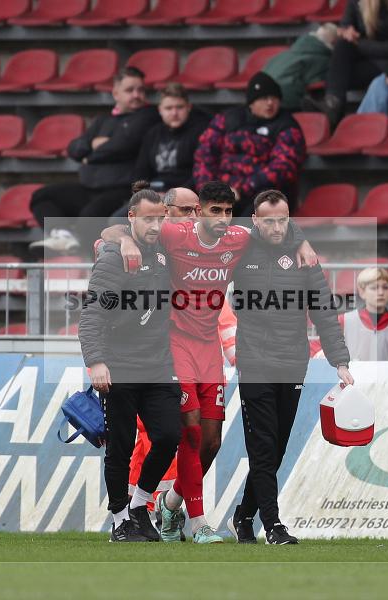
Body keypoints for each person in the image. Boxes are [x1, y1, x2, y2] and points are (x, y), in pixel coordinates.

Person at [101, 181, 318, 543]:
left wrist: (302, 240)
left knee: (211, 442)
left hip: (208, 345)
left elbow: (274, 226)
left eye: (227, 211)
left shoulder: (238, 237)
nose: (221, 218)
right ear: (199, 211)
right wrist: (124, 240)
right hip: (174, 342)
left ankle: (169, 505)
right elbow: (116, 229)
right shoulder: (175, 234)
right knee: (189, 430)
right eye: (213, 210)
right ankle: (198, 523)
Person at [229, 190, 353, 546]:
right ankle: (273, 525)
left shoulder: (304, 257)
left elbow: (324, 311)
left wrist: (339, 361)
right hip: (253, 361)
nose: (276, 227)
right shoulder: (240, 249)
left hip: (292, 361)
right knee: (263, 444)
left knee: (277, 447)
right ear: (255, 220)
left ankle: (244, 515)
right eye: (268, 220)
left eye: (282, 220)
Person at [78, 182, 182, 542]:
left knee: (169, 435)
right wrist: (96, 361)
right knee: (120, 447)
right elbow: (91, 313)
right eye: (148, 219)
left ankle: (139, 506)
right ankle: (120, 520)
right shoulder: (113, 256)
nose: (155, 226)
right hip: (119, 364)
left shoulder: (166, 248)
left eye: (160, 219)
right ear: (132, 218)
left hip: (158, 363)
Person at [29, 67, 160, 252]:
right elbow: (74, 149)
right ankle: (63, 236)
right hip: (90, 188)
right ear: (115, 93)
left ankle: (92, 264)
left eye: (141, 90)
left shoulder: (149, 116)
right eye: (130, 90)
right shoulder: (102, 121)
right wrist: (95, 145)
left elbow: (124, 145)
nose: (137, 95)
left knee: (90, 216)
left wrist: (90, 156)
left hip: (121, 190)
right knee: (42, 196)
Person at [193, 73, 306, 216]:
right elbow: (205, 154)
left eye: (274, 98)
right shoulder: (227, 118)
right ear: (251, 102)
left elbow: (283, 168)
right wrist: (209, 190)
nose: (270, 103)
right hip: (221, 190)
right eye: (264, 98)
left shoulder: (287, 126)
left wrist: (241, 190)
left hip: (261, 193)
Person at [131, 84, 210, 192]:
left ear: (189, 107)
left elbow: (201, 174)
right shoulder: (153, 133)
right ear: (160, 110)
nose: (174, 113)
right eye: (168, 108)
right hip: (154, 194)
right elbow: (141, 172)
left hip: (186, 195)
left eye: (179, 107)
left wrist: (174, 196)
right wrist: (144, 193)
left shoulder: (201, 132)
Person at [343, 267, 388, 362]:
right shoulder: (345, 321)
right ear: (362, 292)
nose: (381, 293)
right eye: (374, 288)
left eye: (385, 287)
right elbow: (319, 348)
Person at [263, 24, 338, 114]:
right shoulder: (321, 58)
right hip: (285, 98)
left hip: (260, 97)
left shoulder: (286, 53)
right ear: (333, 42)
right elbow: (315, 81)